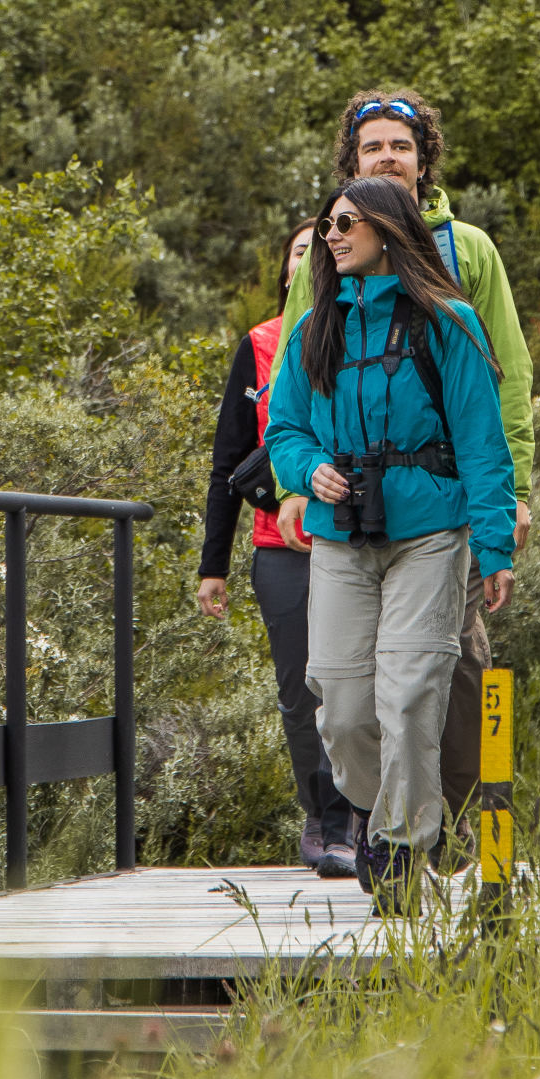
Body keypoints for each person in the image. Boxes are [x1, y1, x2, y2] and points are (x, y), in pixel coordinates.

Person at [271, 90, 535, 846]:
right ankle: (388, 809)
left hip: (433, 520)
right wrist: (302, 474)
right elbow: (286, 418)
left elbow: (495, 410)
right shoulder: (319, 308)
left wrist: (500, 529)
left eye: (401, 145)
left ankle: (414, 844)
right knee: (346, 705)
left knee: (422, 688)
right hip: (344, 526)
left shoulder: (460, 284)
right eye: (372, 146)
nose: (330, 235)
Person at [196, 219, 357, 879]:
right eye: (297, 251)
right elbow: (226, 461)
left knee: (359, 686)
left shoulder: (365, 332)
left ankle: (362, 817)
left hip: (357, 541)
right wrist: (213, 563)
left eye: (318, 247)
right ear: (286, 271)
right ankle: (321, 815)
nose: (309, 258)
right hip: (280, 547)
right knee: (300, 694)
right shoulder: (260, 345)